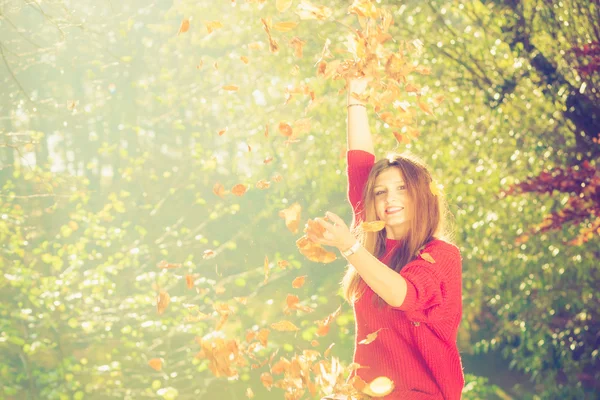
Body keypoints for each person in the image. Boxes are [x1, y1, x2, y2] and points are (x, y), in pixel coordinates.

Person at [306, 76, 465, 400]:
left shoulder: (441, 256)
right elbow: (360, 163)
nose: (390, 199)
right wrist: (356, 100)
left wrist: (348, 247)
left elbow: (402, 294)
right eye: (381, 192)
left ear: (422, 195)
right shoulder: (373, 243)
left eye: (402, 189)